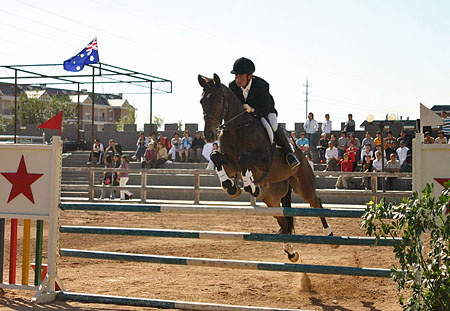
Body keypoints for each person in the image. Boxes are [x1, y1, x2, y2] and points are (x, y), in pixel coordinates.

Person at [228, 57, 300, 168]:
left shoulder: (262, 85)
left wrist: (252, 110)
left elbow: (265, 108)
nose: (237, 79)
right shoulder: (232, 86)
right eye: (236, 76)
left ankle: (289, 154)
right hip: (244, 115)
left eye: (240, 76)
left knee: (274, 126)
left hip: (264, 111)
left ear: (249, 76)